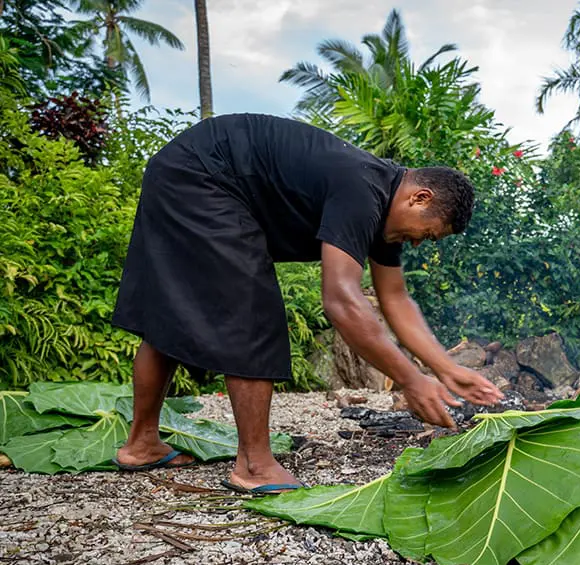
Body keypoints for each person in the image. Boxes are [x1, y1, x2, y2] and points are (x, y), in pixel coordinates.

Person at [109, 112, 502, 494]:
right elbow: (341, 301)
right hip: (202, 174)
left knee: (173, 317)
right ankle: (254, 465)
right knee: (253, 312)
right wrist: (411, 380)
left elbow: (396, 299)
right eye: (427, 234)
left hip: (187, 169)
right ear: (420, 197)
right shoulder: (362, 190)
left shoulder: (384, 211)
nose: (417, 243)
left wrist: (445, 368)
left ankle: (141, 444)